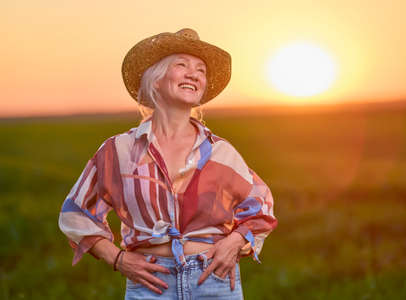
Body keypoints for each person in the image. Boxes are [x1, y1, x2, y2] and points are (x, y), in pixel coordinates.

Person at [58, 28, 277, 299]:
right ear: (156, 79)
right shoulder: (118, 151)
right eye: (181, 65)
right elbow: (76, 213)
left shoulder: (221, 152)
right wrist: (117, 259)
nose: (194, 74)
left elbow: (261, 205)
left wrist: (235, 241)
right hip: (149, 283)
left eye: (201, 70)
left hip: (213, 279)